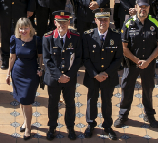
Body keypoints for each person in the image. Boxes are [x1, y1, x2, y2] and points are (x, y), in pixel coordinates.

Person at [115, 0, 158, 129]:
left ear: (149, 8)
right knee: (126, 88)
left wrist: (147, 61)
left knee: (148, 89)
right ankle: (123, 115)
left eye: (145, 7)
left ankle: (149, 114)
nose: (143, 9)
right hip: (131, 64)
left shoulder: (155, 22)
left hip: (149, 64)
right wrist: (137, 60)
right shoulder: (128, 23)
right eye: (140, 6)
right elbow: (124, 47)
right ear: (135, 7)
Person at [82, 8, 122, 140]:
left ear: (109, 21)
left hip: (108, 76)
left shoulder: (116, 36)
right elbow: (85, 59)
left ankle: (107, 126)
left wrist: (105, 73)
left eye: (105, 20)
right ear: (95, 21)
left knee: (107, 101)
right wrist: (95, 74)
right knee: (91, 100)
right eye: (100, 20)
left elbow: (118, 59)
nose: (102, 22)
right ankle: (90, 124)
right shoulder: (87, 36)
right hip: (93, 76)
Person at [44, 12, 82, 140]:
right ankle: (52, 127)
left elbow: (78, 59)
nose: (62, 25)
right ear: (55, 23)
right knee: (53, 104)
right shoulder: (48, 38)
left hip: (69, 79)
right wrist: (59, 76)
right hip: (54, 79)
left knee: (70, 103)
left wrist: (68, 76)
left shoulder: (76, 37)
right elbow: (46, 60)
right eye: (60, 22)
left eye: (65, 22)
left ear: (69, 23)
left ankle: (70, 127)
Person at [6, 17, 43, 140]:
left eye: (26, 28)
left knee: (27, 101)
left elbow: (40, 57)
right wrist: (8, 74)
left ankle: (28, 128)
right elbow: (12, 58)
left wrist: (41, 69)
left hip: (31, 74)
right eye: (21, 28)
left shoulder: (36, 40)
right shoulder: (14, 39)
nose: (23, 30)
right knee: (22, 100)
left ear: (30, 28)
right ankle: (25, 122)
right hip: (17, 73)